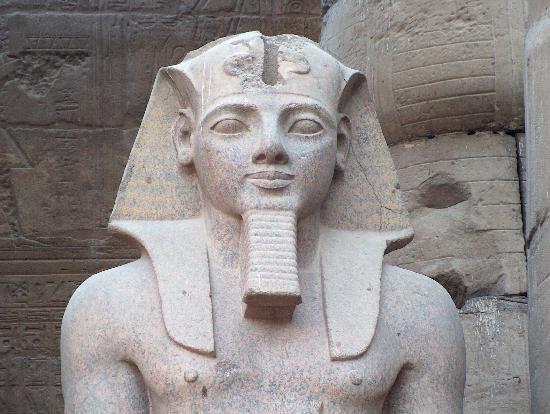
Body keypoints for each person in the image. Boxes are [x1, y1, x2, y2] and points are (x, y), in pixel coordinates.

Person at [61, 32, 465, 413]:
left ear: (341, 144)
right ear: (185, 139)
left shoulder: (417, 311)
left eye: (305, 126)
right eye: (232, 126)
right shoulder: (110, 307)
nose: (270, 147)